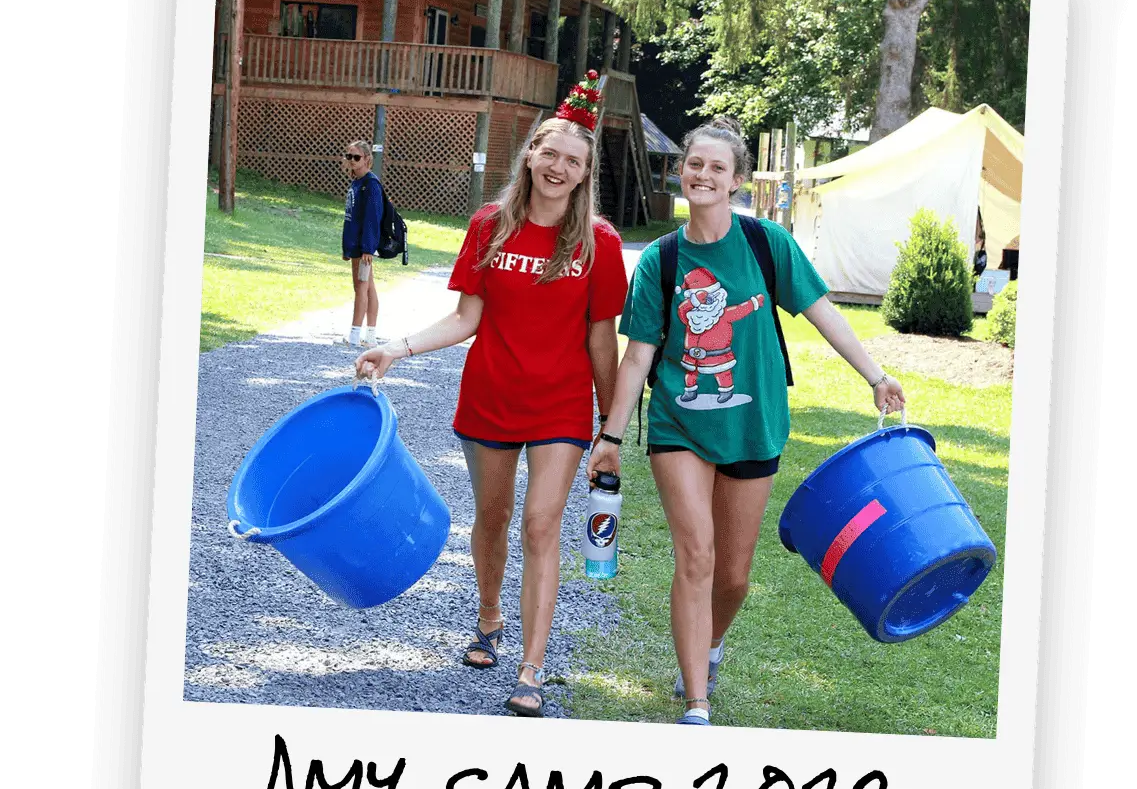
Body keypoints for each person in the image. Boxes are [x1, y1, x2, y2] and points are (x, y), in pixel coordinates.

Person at [588, 116, 905, 727]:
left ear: (736, 181)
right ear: (683, 171)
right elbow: (640, 353)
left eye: (716, 167)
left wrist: (875, 375)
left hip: (755, 425)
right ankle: (696, 702)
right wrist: (611, 434)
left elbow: (822, 313)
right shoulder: (662, 259)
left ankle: (709, 643)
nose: (702, 175)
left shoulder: (766, 244)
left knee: (732, 576)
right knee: (697, 556)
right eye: (694, 164)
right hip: (680, 425)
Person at [356, 73, 628, 717]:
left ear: (586, 172)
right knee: (494, 518)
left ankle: (531, 668)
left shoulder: (601, 243)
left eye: (574, 160)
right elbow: (465, 318)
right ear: (531, 153)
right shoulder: (488, 227)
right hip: (490, 397)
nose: (559, 167)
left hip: (560, 406)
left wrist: (609, 429)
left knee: (541, 525)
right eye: (551, 153)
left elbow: (601, 341)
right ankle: (488, 616)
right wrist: (397, 347)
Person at [341, 140, 384, 349]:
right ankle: (371, 335)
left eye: (356, 157)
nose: (351, 160)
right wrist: (346, 247)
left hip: (363, 246)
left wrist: (368, 247)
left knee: (361, 287)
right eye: (349, 156)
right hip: (356, 245)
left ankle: (355, 335)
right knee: (367, 287)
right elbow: (351, 217)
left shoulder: (371, 184)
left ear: (367, 159)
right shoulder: (356, 182)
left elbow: (372, 218)